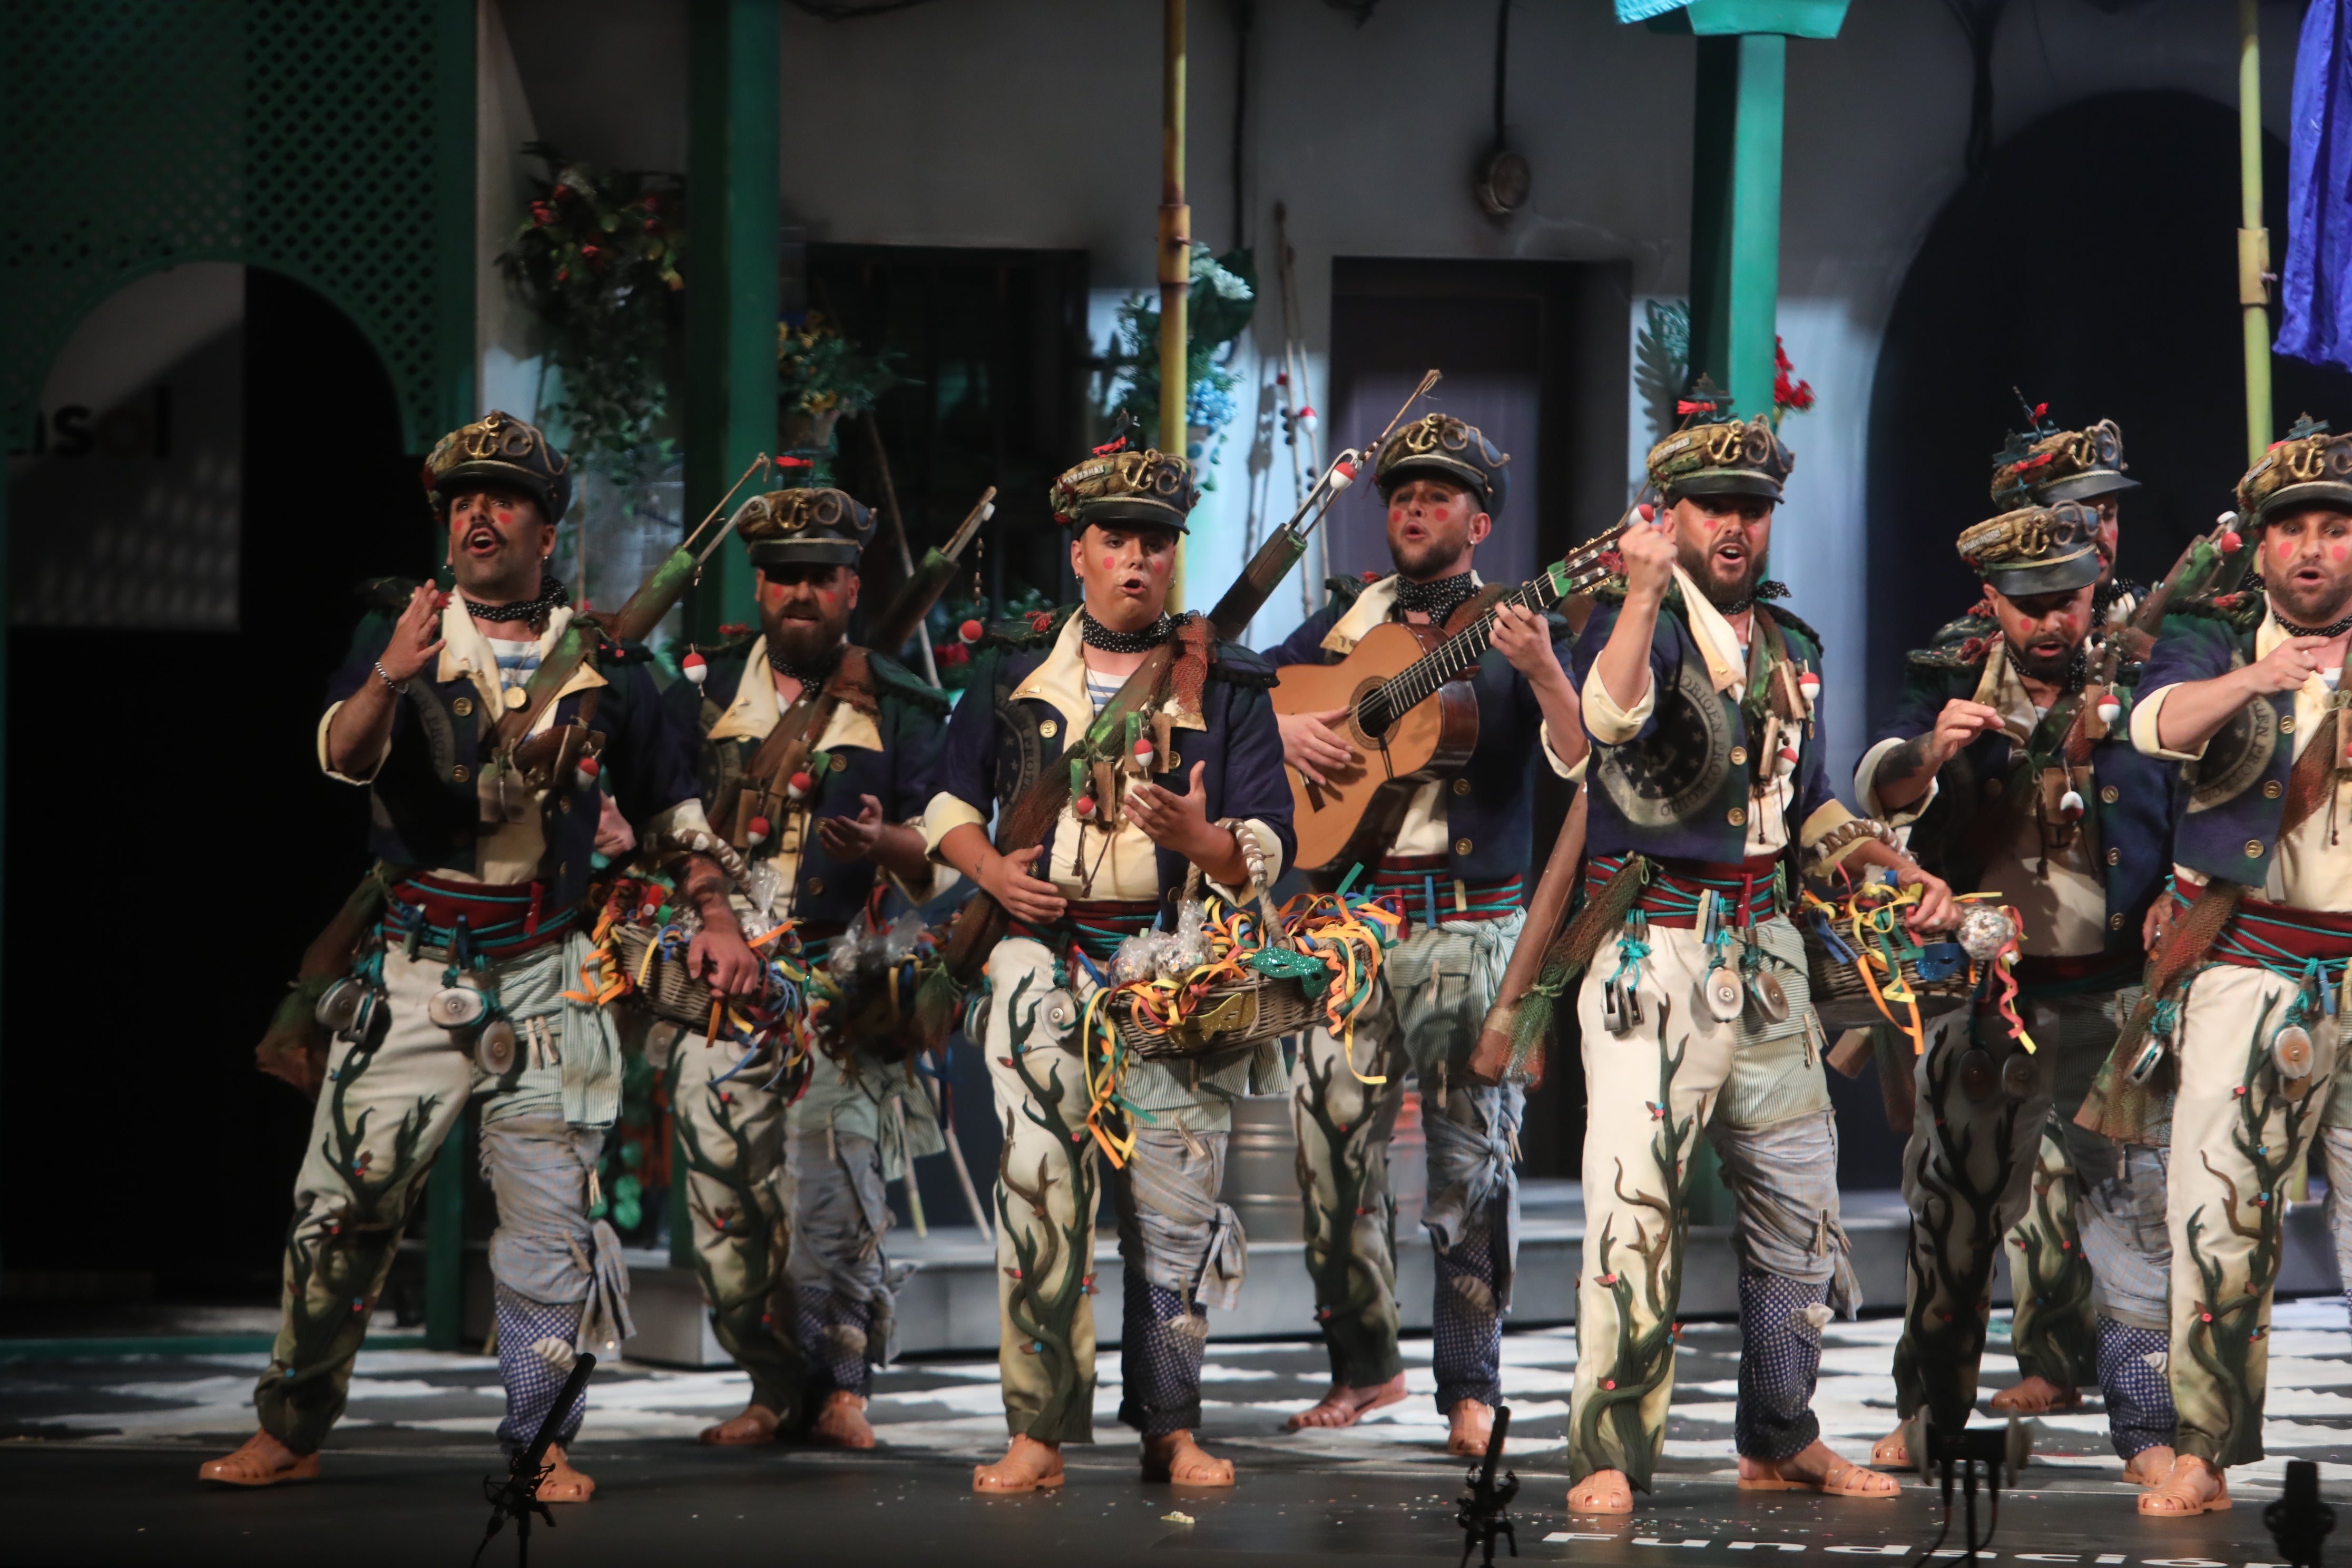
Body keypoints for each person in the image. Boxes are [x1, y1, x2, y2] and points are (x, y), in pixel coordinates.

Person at [201, 412, 759, 1497]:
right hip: (414, 967)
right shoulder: (398, 636)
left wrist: (719, 913)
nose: (477, 515)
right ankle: (293, 1426)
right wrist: (390, 675)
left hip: (549, 972)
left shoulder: (613, 671)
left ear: (548, 532)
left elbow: (675, 811)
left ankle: (539, 1441)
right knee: (339, 1213)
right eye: (462, 501)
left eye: (503, 498)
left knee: (550, 1230)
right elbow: (343, 760)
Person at [1562, 384, 1953, 1515]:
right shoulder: (1628, 622)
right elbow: (1607, 722)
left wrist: (1889, 864)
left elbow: (1817, 808)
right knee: (1633, 1208)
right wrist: (1639, 594)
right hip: (1653, 950)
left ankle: (1780, 1433)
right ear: (1666, 513)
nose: (1734, 526)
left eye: (1751, 507)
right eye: (1709, 506)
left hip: (1767, 949)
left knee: (1797, 1203)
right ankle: (1609, 1456)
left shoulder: (1791, 644)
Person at [922, 445, 1295, 1493]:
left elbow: (1274, 836)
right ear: (1078, 553)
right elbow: (946, 803)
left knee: (1175, 1213)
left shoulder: (1226, 685)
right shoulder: (1010, 676)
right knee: (1038, 1193)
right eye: (1116, 541)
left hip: (1169, 969)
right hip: (1041, 961)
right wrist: (994, 869)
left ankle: (1170, 1428)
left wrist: (1208, 839)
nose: (1137, 560)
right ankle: (1037, 1433)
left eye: (1157, 543)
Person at [1260, 413, 1583, 1455]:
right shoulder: (1345, 621)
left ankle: (1470, 1386)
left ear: (1479, 522)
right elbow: (1239, 686)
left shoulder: (1520, 621)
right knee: (1326, 1159)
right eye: (1400, 494)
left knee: (1472, 1171)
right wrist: (1280, 722)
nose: (1411, 508)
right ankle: (1365, 1366)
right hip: (1351, 923)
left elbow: (1581, 759)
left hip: (1469, 924)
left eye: (1436, 495)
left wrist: (1541, 672)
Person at [1855, 499, 2178, 1479]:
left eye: (2070, 600)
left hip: (2115, 993)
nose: (2052, 623)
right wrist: (1932, 757)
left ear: (2094, 591)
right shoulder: (1950, 679)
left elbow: (2200, 796)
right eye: (2029, 603)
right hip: (1987, 1001)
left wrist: (2177, 896)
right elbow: (1876, 784)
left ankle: (2149, 1432)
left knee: (2134, 1223)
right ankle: (1931, 1417)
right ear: (1992, 600)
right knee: (1951, 1216)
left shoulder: (2145, 674)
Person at [663, 485, 954, 1451]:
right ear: (760, 585)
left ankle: (843, 1388)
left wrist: (891, 843)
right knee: (723, 1205)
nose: (801, 595)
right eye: (784, 577)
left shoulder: (904, 705)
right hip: (720, 985)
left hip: (842, 984)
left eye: (820, 578)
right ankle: (771, 1385)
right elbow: (668, 829)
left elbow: (945, 851)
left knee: (839, 1199)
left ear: (850, 587)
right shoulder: (699, 695)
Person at [2120, 416, 2352, 1517]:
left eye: (2334, 529)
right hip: (2248, 960)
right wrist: (2262, 676)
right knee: (2218, 1219)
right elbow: (2154, 724)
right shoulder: (2215, 638)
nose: (2312, 550)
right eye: (2292, 530)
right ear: (2258, 549)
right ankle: (2205, 1450)